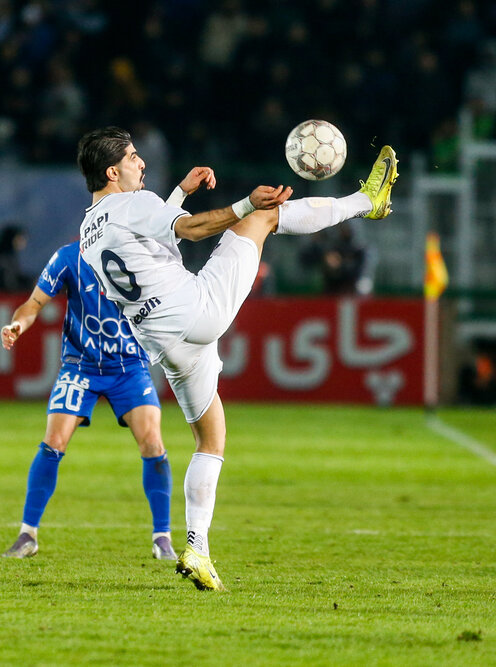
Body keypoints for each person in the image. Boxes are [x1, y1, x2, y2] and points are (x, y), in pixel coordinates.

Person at [77, 127, 398, 590]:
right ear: (112, 172)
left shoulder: (88, 231)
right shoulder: (134, 203)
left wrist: (177, 193)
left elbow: (150, 247)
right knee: (264, 217)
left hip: (164, 343)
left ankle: (198, 549)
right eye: (132, 157)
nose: (141, 163)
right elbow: (189, 230)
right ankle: (367, 201)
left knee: (210, 439)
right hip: (195, 309)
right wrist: (246, 204)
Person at [0, 166, 217, 563]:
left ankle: (162, 538)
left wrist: (182, 190)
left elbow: (167, 224)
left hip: (129, 366)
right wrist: (18, 324)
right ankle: (27, 534)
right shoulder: (69, 258)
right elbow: (33, 303)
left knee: (153, 443)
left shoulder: (135, 246)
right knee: (54, 442)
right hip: (80, 366)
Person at [0, 224, 30, 291]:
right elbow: (10, 283)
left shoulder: (9, 255)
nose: (23, 242)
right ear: (12, 238)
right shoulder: (1, 257)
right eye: (20, 239)